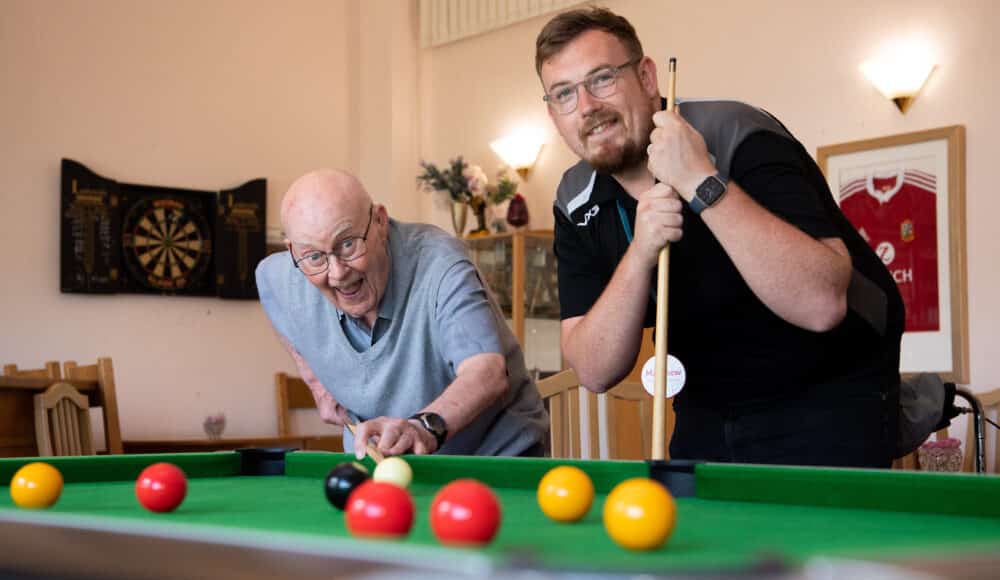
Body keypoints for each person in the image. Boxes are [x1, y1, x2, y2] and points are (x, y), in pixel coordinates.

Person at [536, 7, 904, 467]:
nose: (587, 106)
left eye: (603, 78)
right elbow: (593, 370)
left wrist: (701, 182)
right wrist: (640, 251)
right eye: (564, 94)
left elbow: (822, 304)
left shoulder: (737, 133)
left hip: (831, 400)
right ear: (553, 115)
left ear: (648, 77)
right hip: (705, 413)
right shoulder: (576, 200)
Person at [256, 169, 548, 459]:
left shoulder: (439, 263)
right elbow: (269, 286)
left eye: (347, 244)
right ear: (293, 251)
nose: (337, 273)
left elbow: (486, 372)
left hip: (495, 459)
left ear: (380, 222)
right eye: (315, 256)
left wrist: (422, 429)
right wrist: (317, 383)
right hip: (386, 463)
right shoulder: (284, 275)